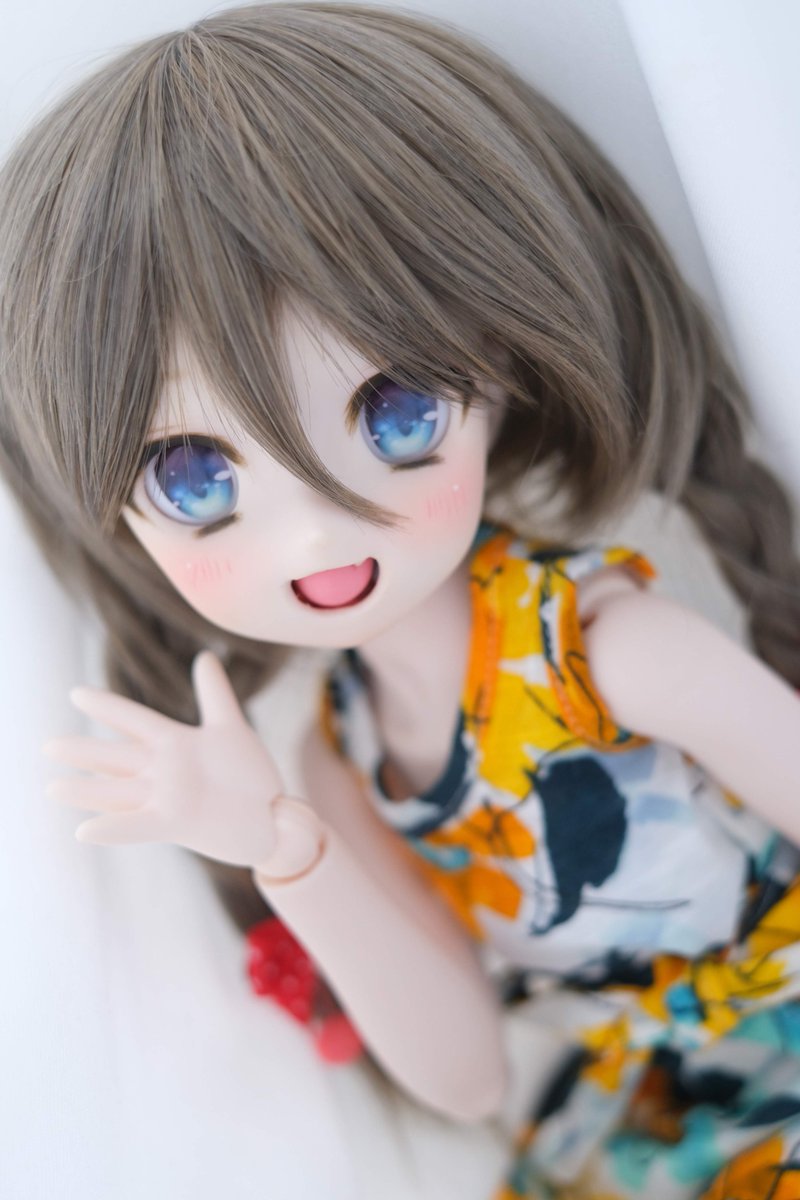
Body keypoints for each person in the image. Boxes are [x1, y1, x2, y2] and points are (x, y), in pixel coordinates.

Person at [1, 4, 799, 1196]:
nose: (315, 531)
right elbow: (467, 1076)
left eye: (396, 416)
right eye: (195, 479)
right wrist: (286, 852)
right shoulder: (342, 763)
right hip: (649, 1133)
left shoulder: (604, 654)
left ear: (497, 376)